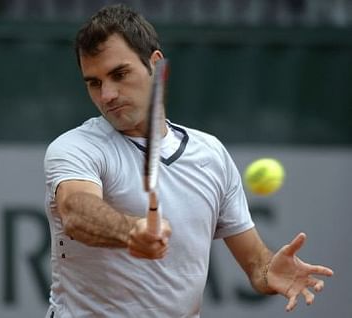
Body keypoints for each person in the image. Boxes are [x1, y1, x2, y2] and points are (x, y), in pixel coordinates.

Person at [43, 4, 333, 318]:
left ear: (155, 64)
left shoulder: (211, 154)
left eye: (119, 74)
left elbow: (256, 265)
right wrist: (131, 231)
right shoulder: (75, 147)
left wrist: (268, 272)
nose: (107, 94)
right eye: (94, 83)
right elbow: (76, 210)